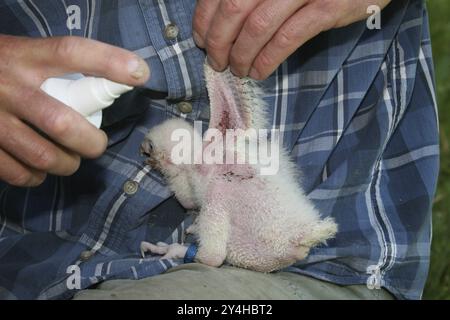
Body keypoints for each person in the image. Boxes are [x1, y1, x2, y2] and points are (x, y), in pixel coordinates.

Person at [0, 0, 438, 300]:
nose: (155, 162)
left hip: (321, 266)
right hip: (33, 259)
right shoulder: (222, 162)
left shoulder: (218, 176)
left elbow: (210, 249)